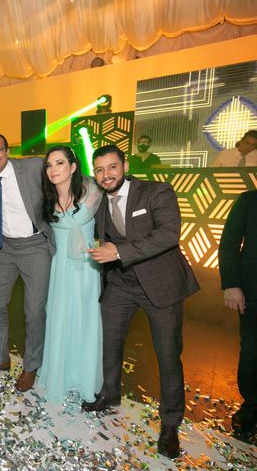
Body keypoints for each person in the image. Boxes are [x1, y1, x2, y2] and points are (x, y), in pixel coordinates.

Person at [84, 145, 199, 459]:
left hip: (160, 285)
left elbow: (168, 234)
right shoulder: (98, 202)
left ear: (124, 165)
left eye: (112, 167)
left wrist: (119, 252)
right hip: (121, 284)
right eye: (99, 170)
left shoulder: (155, 191)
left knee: (167, 354)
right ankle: (110, 393)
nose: (106, 175)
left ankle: (170, 424)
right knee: (110, 342)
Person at [0, 131, 55, 392]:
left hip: (34, 247)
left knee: (33, 312)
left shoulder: (32, 166)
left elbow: (68, 174)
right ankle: (0, 359)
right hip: (4, 247)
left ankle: (31, 366)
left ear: (8, 151)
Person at [35, 146, 103, 402]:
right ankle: (60, 373)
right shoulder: (47, 199)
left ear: (73, 167)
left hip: (86, 267)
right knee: (60, 316)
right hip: (59, 266)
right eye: (49, 165)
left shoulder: (94, 192)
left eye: (60, 163)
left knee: (84, 319)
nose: (53, 170)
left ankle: (83, 377)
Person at [219, 190, 257, 437]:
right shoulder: (249, 201)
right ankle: (251, 407)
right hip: (254, 292)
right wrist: (232, 284)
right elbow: (229, 243)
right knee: (252, 352)